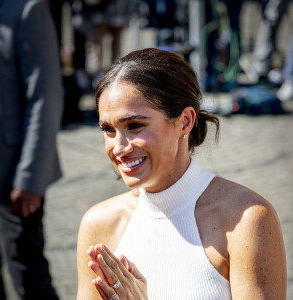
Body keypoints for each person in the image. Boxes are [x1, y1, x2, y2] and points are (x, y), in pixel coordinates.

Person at [76, 48, 287, 299]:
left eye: (135, 126)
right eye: (108, 129)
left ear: (185, 121)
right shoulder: (99, 224)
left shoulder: (245, 220)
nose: (119, 147)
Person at [0, 0, 63, 299]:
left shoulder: (27, 10)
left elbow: (45, 96)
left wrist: (30, 176)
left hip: (12, 177)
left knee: (29, 277)